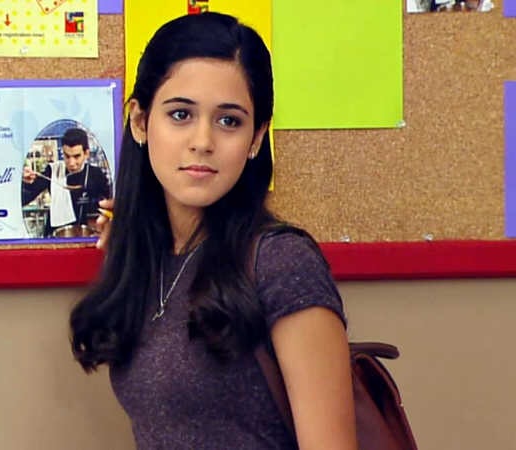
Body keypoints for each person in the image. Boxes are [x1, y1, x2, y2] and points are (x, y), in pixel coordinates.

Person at [70, 12, 356, 449]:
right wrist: (132, 236)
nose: (203, 141)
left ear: (256, 137)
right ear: (141, 122)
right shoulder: (148, 258)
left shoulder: (282, 262)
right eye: (181, 114)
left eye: (229, 121)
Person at [21, 127, 111, 237]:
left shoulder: (96, 174)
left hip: (87, 235)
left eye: (76, 156)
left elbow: (108, 203)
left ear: (86, 153)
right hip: (55, 235)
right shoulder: (52, 171)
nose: (71, 163)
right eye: (67, 156)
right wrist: (25, 183)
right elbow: (25, 198)